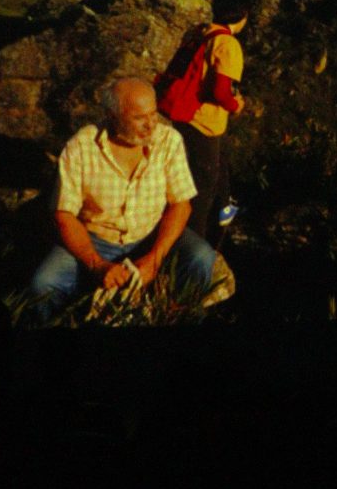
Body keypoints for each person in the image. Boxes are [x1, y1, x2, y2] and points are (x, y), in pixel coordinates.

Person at [29, 77, 217, 322]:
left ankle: (178, 317)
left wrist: (155, 258)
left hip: (151, 235)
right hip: (95, 239)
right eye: (139, 118)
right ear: (112, 115)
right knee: (43, 284)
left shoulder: (168, 140)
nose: (151, 125)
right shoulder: (81, 147)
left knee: (201, 257)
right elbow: (63, 214)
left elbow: (181, 204)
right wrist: (97, 265)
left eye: (154, 114)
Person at [170, 0, 248, 247]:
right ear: (242, 18)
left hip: (181, 114)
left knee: (199, 175)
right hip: (203, 122)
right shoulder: (228, 43)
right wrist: (236, 105)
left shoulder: (200, 33)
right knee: (202, 188)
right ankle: (193, 246)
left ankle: (208, 223)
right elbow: (220, 90)